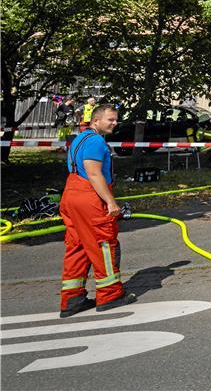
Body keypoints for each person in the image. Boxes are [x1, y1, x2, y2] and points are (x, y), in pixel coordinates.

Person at [59, 104, 135, 316]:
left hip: (71, 195)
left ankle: (72, 298)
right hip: (89, 197)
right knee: (103, 243)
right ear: (96, 121)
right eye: (110, 119)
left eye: (115, 119)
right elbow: (94, 174)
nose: (114, 123)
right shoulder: (95, 141)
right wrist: (111, 202)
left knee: (77, 245)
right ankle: (110, 295)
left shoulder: (79, 139)